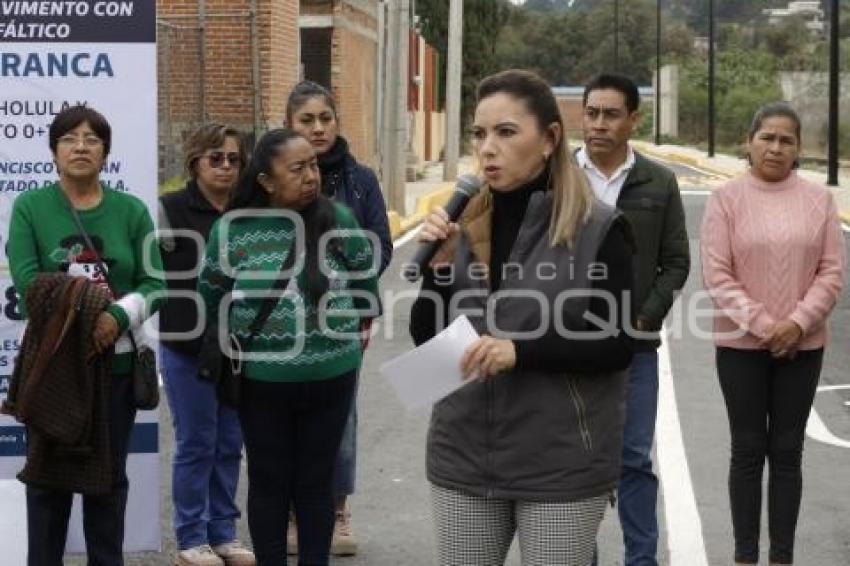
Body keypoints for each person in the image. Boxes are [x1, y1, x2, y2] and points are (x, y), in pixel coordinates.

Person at [409, 69, 635, 566]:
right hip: (463, 454)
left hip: (559, 464)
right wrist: (440, 268)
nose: (487, 147)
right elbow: (426, 339)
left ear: (550, 138)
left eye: (506, 132)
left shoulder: (598, 228)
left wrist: (522, 350)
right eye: (479, 133)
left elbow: (618, 343)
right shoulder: (463, 221)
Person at [197, 128, 379, 566]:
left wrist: (343, 328)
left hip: (331, 378)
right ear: (266, 180)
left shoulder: (339, 220)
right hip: (262, 383)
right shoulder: (233, 229)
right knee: (269, 481)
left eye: (313, 164)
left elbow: (365, 286)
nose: (311, 175)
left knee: (316, 483)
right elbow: (211, 294)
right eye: (297, 168)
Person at [6, 104, 164, 565]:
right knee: (46, 486)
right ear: (54, 152)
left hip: (113, 370)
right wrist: (89, 307)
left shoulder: (131, 211)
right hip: (53, 369)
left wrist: (118, 314)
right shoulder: (31, 208)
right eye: (70, 138)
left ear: (105, 152)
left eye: (92, 139)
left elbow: (155, 284)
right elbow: (29, 283)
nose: (81, 146)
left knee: (108, 485)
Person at [701, 102, 844, 566]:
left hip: (803, 348)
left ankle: (782, 557)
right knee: (747, 449)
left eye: (786, 140)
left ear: (799, 149)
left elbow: (831, 273)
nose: (776, 147)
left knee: (787, 451)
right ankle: (745, 556)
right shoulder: (726, 200)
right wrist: (766, 326)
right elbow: (717, 274)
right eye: (767, 138)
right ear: (749, 141)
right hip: (741, 347)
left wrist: (797, 323)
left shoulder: (819, 201)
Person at [577, 72, 690, 566]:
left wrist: (644, 318)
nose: (599, 124)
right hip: (567, 346)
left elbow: (676, 261)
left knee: (634, 462)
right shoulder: (557, 175)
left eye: (611, 114)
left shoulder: (659, 181)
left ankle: (640, 559)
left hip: (636, 348)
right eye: (592, 113)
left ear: (632, 120)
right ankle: (578, 555)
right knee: (575, 464)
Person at [285, 80, 392, 555]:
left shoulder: (360, 179)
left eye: (324, 118)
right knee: (284, 415)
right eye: (306, 120)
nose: (317, 128)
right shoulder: (272, 175)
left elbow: (380, 246)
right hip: (281, 321)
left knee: (339, 416)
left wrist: (346, 286)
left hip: (344, 320)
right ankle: (293, 512)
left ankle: (338, 512)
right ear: (290, 124)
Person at [159, 124, 255, 566]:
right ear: (195, 161)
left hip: (237, 348)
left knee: (230, 443)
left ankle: (223, 532)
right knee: (197, 442)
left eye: (234, 159)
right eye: (215, 158)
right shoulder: (170, 209)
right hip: (186, 347)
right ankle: (191, 536)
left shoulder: (249, 210)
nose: (225, 167)